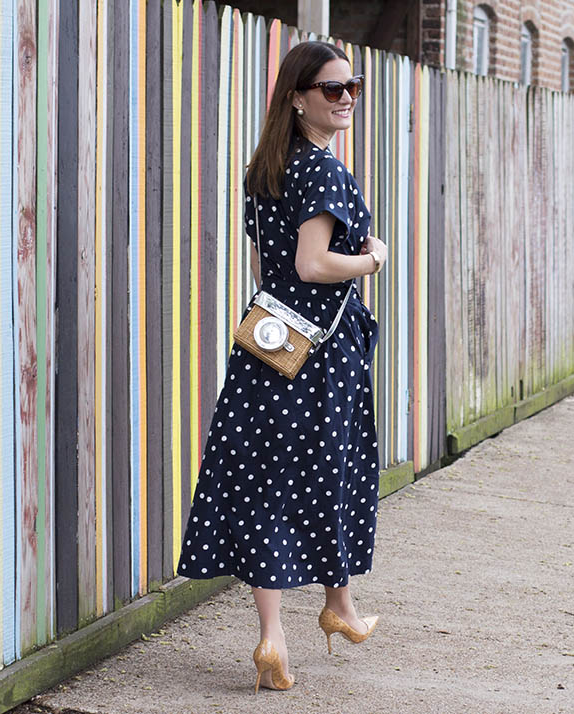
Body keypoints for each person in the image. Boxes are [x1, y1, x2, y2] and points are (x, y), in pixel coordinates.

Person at [176, 40, 388, 694]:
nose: (346, 98)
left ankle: (275, 637)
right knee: (330, 471)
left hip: (267, 347)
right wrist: (372, 259)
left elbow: (265, 270)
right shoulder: (323, 171)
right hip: (320, 353)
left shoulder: (265, 169)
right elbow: (312, 265)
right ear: (297, 98)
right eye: (332, 89)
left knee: (269, 484)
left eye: (352, 87)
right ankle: (338, 606)